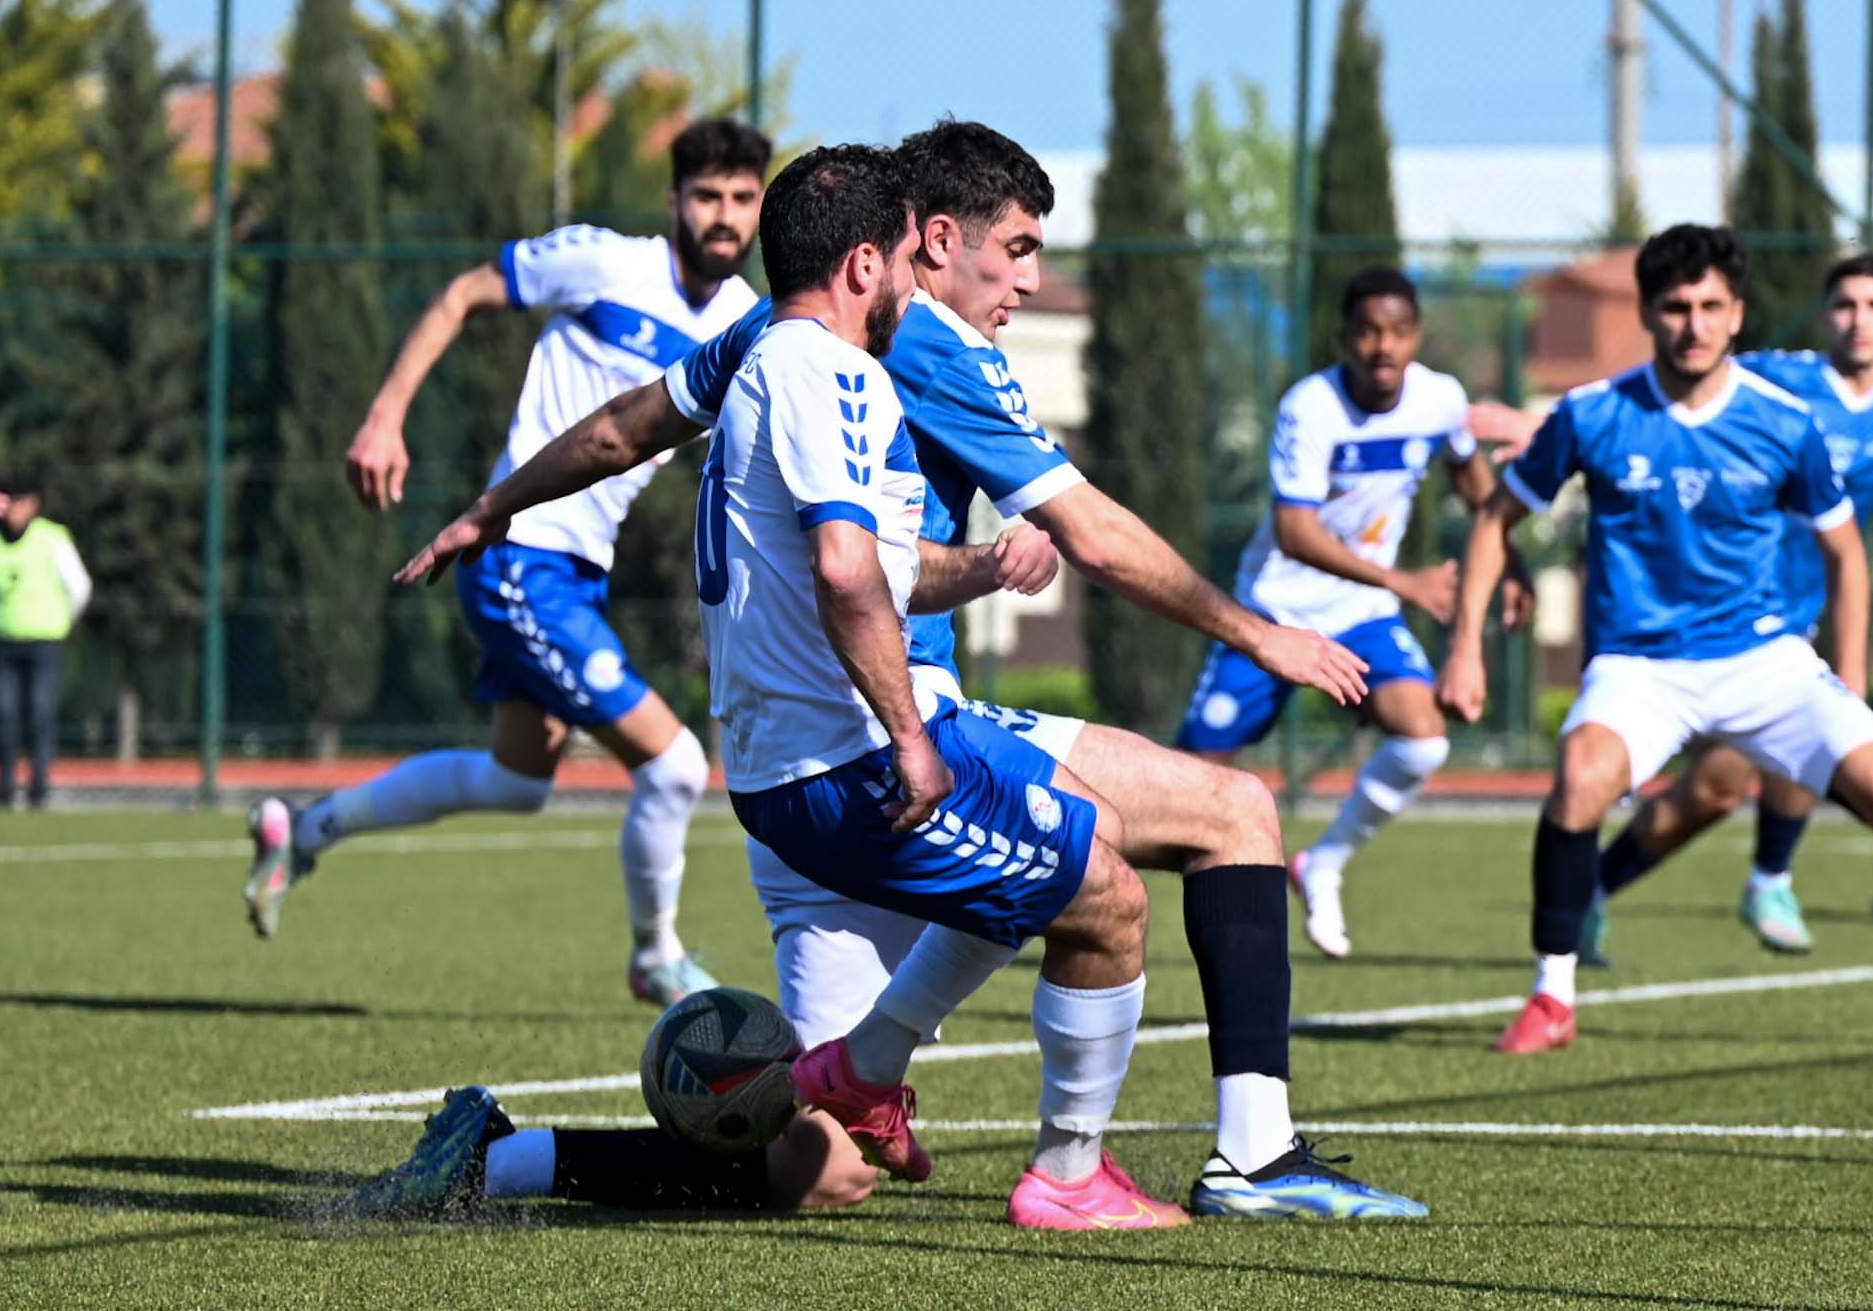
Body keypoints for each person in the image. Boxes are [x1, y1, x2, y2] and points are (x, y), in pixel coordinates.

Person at [399, 124, 1424, 1225]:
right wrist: (1256, 632)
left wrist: (492, 504)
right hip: (879, 748)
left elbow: (623, 430)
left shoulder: (771, 326)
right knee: (1152, 849)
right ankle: (1137, 1164)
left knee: (823, 1163)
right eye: (1016, 249)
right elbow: (1089, 534)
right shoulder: (919, 347)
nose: (1028, 282)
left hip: (825, 762)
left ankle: (511, 1161)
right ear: (926, 243)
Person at [1438, 223, 1873, 1053]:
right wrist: (1465, 649)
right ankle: (1553, 996)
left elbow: (1845, 552)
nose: (1694, 325)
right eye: (1675, 307)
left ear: (1737, 315)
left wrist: (1851, 681)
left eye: (1710, 307)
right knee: (1581, 779)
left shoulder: (1784, 422)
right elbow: (1494, 517)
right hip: (1640, 666)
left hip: (1765, 660)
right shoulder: (1595, 414)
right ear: (1647, 313)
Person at [243, 119, 771, 1009]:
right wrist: (385, 415)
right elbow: (461, 295)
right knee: (677, 765)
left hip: (579, 571)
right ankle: (655, 956)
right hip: (521, 554)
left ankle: (302, 831)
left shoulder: (741, 325)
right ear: (674, 200)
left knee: (517, 780)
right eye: (707, 195)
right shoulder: (605, 263)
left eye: (742, 198)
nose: (724, 215)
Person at [1177, 267, 1528, 958]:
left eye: (1398, 331)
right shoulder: (1311, 407)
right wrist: (1404, 582)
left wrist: (1510, 559)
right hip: (1274, 611)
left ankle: (1324, 862)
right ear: (1343, 338)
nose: (1382, 346)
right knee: (1186, 782)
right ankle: (1063, 895)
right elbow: (1294, 532)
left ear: (1417, 337)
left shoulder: (1439, 399)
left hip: (1362, 611)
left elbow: (1471, 476)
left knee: (1423, 737)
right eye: (1367, 331)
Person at [344, 1084, 876, 1217]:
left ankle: (502, 1160)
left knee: (833, 1165)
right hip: (865, 867)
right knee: (826, 1162)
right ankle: (495, 1161)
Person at [0, 475, 91, 809]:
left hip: (44, 642)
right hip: (2, 643)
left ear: (31, 504)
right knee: (3, 714)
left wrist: (63, 622)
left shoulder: (51, 538)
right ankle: (6, 787)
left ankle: (39, 787)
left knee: (40, 712)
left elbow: (79, 586)